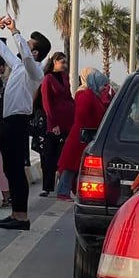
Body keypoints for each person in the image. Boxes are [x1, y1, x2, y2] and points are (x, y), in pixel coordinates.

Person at [0, 17, 49, 231]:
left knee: (16, 170)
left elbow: (27, 58)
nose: (24, 46)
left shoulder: (35, 70)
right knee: (11, 170)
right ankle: (16, 214)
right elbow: (4, 51)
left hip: (18, 122)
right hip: (8, 121)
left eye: (29, 45)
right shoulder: (19, 66)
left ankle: (21, 216)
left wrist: (15, 32)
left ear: (36, 52)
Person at [56, 68, 113, 199]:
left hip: (87, 137)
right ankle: (62, 191)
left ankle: (70, 190)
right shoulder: (86, 95)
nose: (105, 88)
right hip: (79, 137)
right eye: (103, 84)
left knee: (76, 166)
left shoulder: (96, 97)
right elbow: (82, 115)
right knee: (70, 166)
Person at [38, 51, 73, 197]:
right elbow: (47, 104)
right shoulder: (48, 79)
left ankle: (64, 186)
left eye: (65, 62)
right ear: (54, 62)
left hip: (68, 121)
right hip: (54, 122)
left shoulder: (64, 77)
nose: (64, 65)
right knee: (50, 155)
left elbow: (69, 97)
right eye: (62, 62)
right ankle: (47, 187)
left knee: (64, 154)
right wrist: (53, 124)